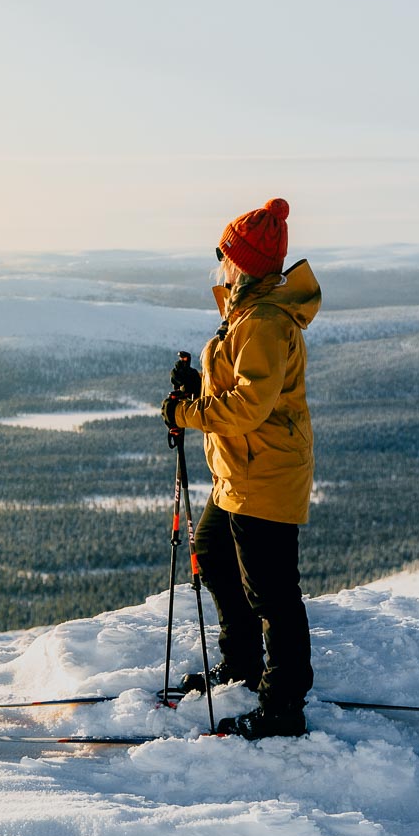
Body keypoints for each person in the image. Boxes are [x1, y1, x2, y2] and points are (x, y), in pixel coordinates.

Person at [159, 197, 321, 739]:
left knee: (272, 592)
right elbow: (239, 388)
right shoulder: (246, 314)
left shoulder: (267, 322)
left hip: (266, 475)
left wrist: (188, 412)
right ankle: (244, 663)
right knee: (212, 553)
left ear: (243, 263)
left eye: (225, 255)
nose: (219, 264)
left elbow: (251, 405)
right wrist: (195, 390)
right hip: (239, 473)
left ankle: (283, 704)